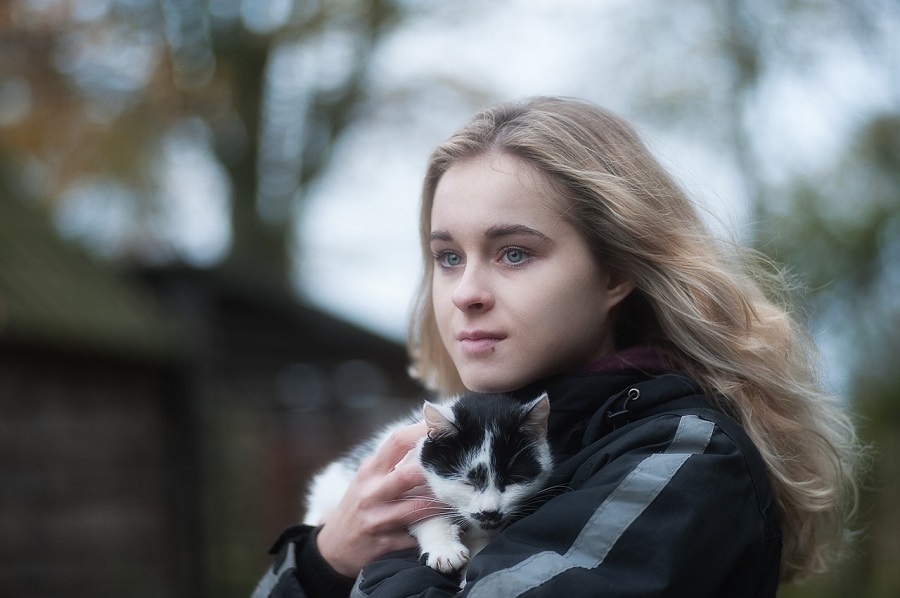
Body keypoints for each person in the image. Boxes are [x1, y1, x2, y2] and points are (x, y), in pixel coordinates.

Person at [253, 96, 861, 597]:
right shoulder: (465, 440)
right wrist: (322, 559)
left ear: (615, 271)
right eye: (447, 257)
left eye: (513, 252)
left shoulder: (686, 460)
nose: (466, 292)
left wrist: (361, 563)